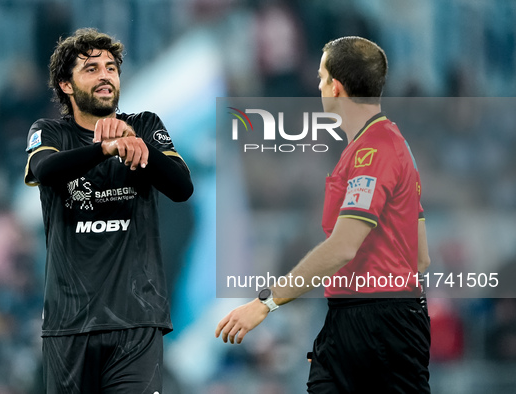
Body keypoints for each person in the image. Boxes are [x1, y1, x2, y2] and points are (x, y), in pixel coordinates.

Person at [216, 36, 431, 393]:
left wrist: (265, 303)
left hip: (380, 323)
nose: (317, 86)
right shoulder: (382, 146)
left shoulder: (373, 152)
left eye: (320, 77)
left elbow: (343, 247)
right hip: (356, 318)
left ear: (337, 87)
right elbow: (419, 257)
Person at [24, 28, 193, 393]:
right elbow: (46, 171)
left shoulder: (146, 125)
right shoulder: (50, 133)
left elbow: (182, 187)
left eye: (111, 67)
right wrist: (105, 149)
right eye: (91, 68)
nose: (105, 75)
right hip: (69, 325)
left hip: (137, 321)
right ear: (66, 85)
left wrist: (135, 143)